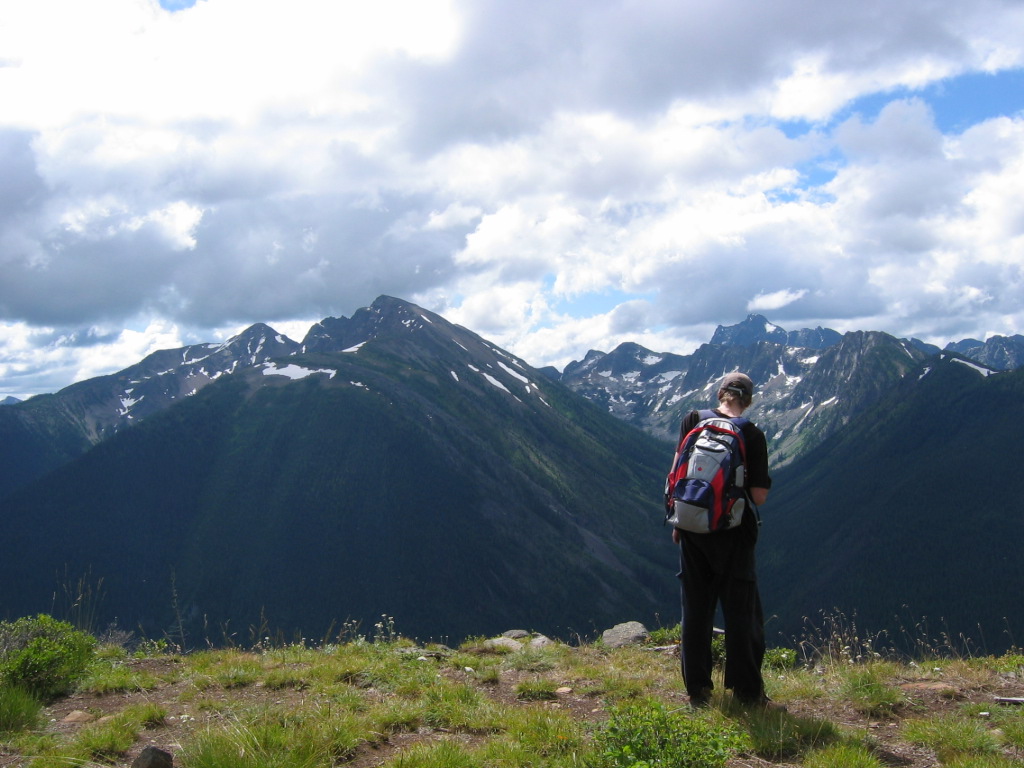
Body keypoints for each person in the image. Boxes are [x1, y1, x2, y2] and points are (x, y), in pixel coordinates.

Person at [670, 372, 773, 708]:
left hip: (691, 525)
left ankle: (698, 692)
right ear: (749, 399)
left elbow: (677, 472)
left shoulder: (693, 419)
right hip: (733, 533)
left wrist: (677, 518)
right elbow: (757, 496)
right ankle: (747, 693)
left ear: (720, 393)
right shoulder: (751, 433)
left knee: (696, 609)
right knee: (740, 612)